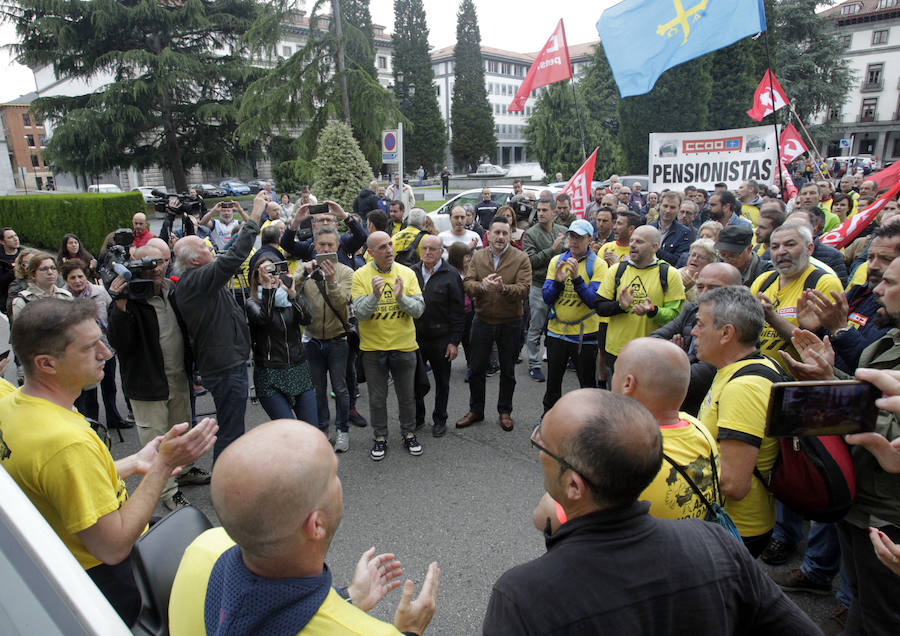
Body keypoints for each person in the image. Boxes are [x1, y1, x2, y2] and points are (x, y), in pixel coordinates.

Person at [484, 388, 821, 635]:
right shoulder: (715, 543)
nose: (538, 447)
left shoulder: (522, 596)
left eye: (541, 443)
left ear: (575, 486)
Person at [0, 298, 217, 625]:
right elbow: (112, 547)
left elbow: (60, 483)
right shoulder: (64, 443)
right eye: (90, 348)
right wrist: (162, 467)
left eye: (101, 339)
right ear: (46, 363)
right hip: (106, 574)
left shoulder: (11, 401)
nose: (106, 352)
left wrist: (135, 462)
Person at [168, 420, 439, 636]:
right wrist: (410, 630)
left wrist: (348, 597)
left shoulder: (203, 547)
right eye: (333, 475)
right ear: (316, 524)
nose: (339, 481)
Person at [108, 242, 205, 509]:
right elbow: (118, 341)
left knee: (182, 429)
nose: (157, 268)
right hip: (147, 382)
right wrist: (120, 305)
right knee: (157, 439)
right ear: (134, 266)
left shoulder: (171, 290)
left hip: (177, 375)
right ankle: (167, 490)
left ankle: (184, 471)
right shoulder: (128, 296)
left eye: (162, 261)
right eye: (149, 263)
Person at [173, 191, 265, 462]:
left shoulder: (197, 277)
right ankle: (226, 483)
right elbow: (234, 256)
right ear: (194, 260)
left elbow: (230, 248)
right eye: (205, 247)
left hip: (227, 362)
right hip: (224, 367)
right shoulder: (196, 280)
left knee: (232, 424)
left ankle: (229, 476)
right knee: (231, 428)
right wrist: (256, 215)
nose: (211, 247)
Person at [691, 285, 782, 556]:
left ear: (727, 333)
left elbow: (734, 484)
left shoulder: (744, 387)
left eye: (700, 324)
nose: (693, 332)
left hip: (734, 530)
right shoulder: (742, 368)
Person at [351, 231, 425, 461]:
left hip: (404, 346)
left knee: (407, 396)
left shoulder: (407, 273)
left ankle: (408, 433)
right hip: (373, 349)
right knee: (376, 398)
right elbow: (360, 315)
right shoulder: (360, 276)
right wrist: (374, 295)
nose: (389, 250)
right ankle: (380, 437)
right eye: (382, 247)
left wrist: (401, 297)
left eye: (390, 245)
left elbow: (418, 310)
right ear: (370, 252)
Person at [458, 217, 531, 431]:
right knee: (476, 368)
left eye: (504, 233)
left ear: (510, 235)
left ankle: (505, 411)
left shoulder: (521, 257)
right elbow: (467, 283)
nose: (500, 237)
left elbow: (525, 289)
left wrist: (502, 289)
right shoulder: (479, 256)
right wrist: (482, 286)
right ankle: (476, 410)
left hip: (510, 322)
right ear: (488, 235)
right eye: (496, 232)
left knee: (508, 370)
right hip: (482, 320)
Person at [651, 262, 743, 416]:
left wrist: (678, 357)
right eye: (700, 287)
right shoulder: (691, 310)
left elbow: (691, 379)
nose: (705, 294)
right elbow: (651, 342)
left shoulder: (737, 327)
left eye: (714, 289)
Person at [595, 226, 686, 381]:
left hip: (651, 353)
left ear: (654, 246)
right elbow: (599, 307)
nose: (632, 245)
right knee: (618, 401)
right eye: (631, 240)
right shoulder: (617, 270)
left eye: (639, 241)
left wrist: (652, 311)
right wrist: (620, 306)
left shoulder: (669, 274)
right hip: (618, 351)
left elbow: (675, 316)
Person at [749, 223, 844, 366]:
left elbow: (820, 347)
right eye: (775, 247)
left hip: (798, 380)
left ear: (809, 248)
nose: (781, 251)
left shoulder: (824, 283)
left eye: (790, 245)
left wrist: (772, 317)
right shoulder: (763, 280)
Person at [541, 219, 607, 413]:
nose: (574, 241)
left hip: (584, 336)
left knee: (586, 385)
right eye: (571, 236)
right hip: (556, 333)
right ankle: (548, 419)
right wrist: (558, 282)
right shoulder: (556, 260)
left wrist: (577, 278)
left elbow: (593, 301)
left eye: (579, 237)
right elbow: (547, 297)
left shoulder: (598, 264)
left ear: (589, 239)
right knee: (552, 383)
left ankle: (588, 424)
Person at [300, 227, 355, 452]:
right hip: (312, 339)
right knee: (317, 389)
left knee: (340, 388)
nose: (325, 249)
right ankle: (322, 429)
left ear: (337, 247)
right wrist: (301, 273)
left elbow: (344, 302)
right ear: (315, 246)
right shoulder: (306, 271)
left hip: (338, 339)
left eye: (330, 245)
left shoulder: (346, 272)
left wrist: (332, 281)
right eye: (321, 244)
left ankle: (343, 430)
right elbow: (289, 292)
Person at [245, 256, 316, 426]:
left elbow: (307, 319)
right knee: (289, 430)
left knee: (311, 429)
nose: (272, 276)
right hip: (270, 374)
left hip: (298, 369)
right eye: (266, 272)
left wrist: (293, 295)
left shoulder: (288, 298)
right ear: (257, 277)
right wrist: (268, 289)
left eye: (275, 271)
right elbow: (264, 319)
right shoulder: (252, 302)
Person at [62, 259, 129, 433]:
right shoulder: (63, 298)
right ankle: (91, 425)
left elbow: (111, 310)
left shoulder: (99, 292)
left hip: (105, 345)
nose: (77, 281)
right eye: (73, 278)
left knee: (110, 387)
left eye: (80, 276)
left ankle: (114, 417)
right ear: (66, 280)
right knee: (88, 392)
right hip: (82, 352)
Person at [412, 235, 465, 438]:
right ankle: (418, 417)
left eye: (432, 249)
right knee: (416, 381)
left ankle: (440, 419)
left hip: (441, 338)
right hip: (416, 338)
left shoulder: (451, 275)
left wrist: (454, 342)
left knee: (442, 382)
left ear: (441, 252)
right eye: (424, 248)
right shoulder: (412, 271)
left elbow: (458, 312)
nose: (427, 252)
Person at [522, 197, 567, 382]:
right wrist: (552, 249)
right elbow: (530, 262)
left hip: (561, 287)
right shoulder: (531, 234)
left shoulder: (563, 231)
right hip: (539, 286)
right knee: (536, 326)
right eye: (538, 210)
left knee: (559, 323)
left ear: (554, 212)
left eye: (544, 210)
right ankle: (534, 363)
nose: (540, 213)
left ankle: (561, 358)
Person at [281, 200, 368, 269]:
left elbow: (361, 236)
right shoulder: (310, 245)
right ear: (314, 226)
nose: (325, 223)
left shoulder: (344, 242)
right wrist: (296, 222)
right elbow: (286, 244)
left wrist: (345, 216)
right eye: (321, 220)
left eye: (328, 220)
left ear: (336, 225)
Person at [10, 252, 72, 321]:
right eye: (44, 269)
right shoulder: (22, 301)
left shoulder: (66, 296)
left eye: (53, 268)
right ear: (33, 274)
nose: (50, 272)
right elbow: (20, 330)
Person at [650, 191, 694, 265]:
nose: (668, 210)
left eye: (672, 207)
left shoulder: (685, 233)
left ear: (679, 209)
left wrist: (654, 249)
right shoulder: (648, 228)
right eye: (665, 206)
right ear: (659, 206)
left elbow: (679, 260)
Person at [677, 238, 717, 302]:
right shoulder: (676, 274)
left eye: (701, 257)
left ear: (711, 262)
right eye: (693, 255)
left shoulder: (712, 282)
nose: (695, 259)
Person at [0, 227, 22, 313]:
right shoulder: (2, 260)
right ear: (2, 242)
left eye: (15, 236)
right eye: (10, 237)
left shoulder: (26, 254)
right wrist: (14, 271)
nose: (15, 239)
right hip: (8, 300)